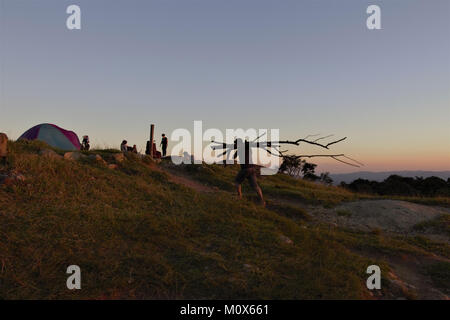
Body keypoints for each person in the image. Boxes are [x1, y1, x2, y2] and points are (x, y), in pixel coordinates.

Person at [233, 138, 265, 206]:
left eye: (235, 143)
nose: (234, 144)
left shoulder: (241, 149)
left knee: (237, 182)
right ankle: (262, 201)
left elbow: (233, 157)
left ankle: (239, 197)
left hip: (245, 169)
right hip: (252, 169)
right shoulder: (248, 148)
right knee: (255, 186)